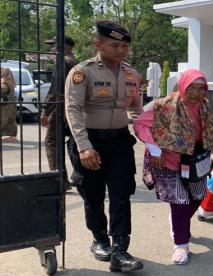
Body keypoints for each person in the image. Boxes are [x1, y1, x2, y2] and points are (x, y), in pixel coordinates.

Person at [65, 20, 143, 272]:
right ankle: (100, 239)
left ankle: (120, 250)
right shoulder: (82, 72)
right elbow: (73, 109)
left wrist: (150, 133)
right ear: (98, 45)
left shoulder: (131, 73)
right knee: (94, 196)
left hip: (120, 142)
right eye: (114, 45)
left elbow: (136, 108)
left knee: (121, 195)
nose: (121, 50)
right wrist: (84, 146)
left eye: (124, 46)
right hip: (91, 142)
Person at [134, 69, 213, 265]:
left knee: (198, 196)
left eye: (201, 89)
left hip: (196, 160)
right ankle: (181, 245)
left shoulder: (205, 105)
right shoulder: (165, 105)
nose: (197, 93)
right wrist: (154, 150)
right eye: (192, 88)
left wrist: (208, 145)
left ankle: (178, 222)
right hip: (167, 160)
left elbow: (207, 128)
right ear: (182, 86)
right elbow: (140, 124)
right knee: (180, 201)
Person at [41, 36, 78, 188]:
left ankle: (59, 181)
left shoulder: (62, 61)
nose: (52, 49)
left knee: (52, 142)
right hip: (74, 106)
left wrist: (45, 110)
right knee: (73, 141)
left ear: (63, 46)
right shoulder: (75, 61)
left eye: (54, 45)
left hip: (60, 107)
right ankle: (77, 175)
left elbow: (55, 88)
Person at [1, 67, 17, 142]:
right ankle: (12, 135)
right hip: (8, 103)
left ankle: (12, 136)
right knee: (9, 119)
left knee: (9, 119)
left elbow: (3, 90)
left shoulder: (7, 81)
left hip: (8, 104)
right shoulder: (9, 81)